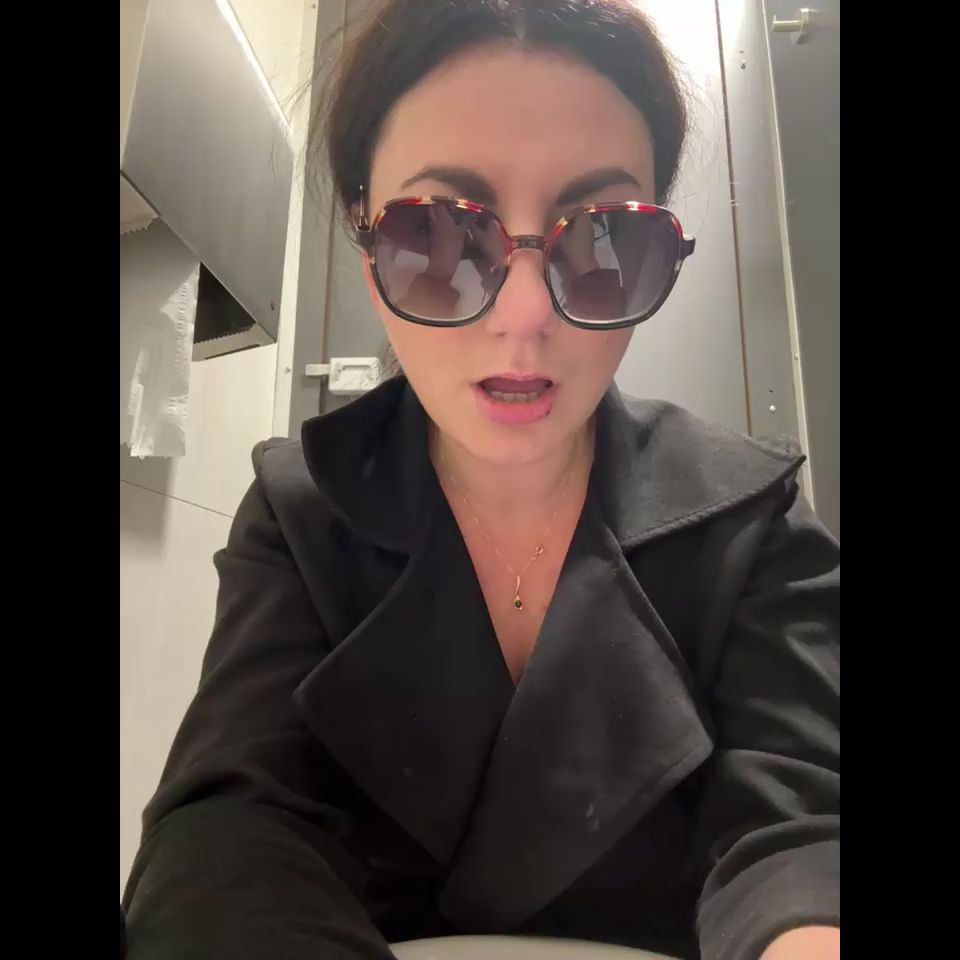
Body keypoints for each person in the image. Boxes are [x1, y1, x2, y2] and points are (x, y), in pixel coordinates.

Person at [122, 2, 840, 958]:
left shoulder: (755, 520)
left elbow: (803, 831)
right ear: (368, 250)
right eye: (438, 238)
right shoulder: (301, 514)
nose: (524, 314)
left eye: (606, 243)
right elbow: (230, 833)